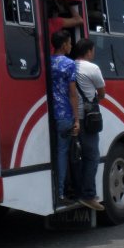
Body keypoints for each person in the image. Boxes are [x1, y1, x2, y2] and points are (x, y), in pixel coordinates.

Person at [73, 38, 106, 211]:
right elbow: (102, 93)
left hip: (71, 117)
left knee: (75, 157)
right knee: (92, 156)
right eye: (93, 50)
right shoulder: (92, 68)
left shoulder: (69, 66)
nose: (93, 53)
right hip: (86, 120)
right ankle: (88, 195)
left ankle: (74, 191)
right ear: (88, 52)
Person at [50, 29, 80, 203]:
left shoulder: (47, 61)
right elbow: (73, 94)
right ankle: (61, 192)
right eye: (69, 43)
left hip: (48, 114)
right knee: (64, 152)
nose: (71, 45)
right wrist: (77, 119)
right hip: (64, 115)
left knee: (55, 152)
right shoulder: (69, 64)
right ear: (63, 45)